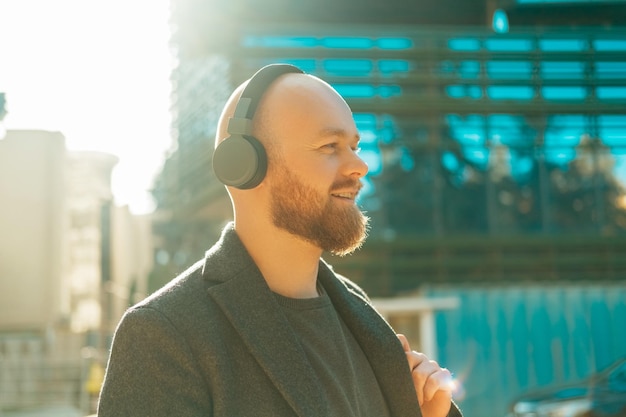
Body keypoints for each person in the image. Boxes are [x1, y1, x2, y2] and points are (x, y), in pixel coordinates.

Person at [97, 63, 463, 417]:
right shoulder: (163, 335)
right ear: (245, 166)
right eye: (329, 146)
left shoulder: (357, 311)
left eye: (353, 145)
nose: (359, 165)